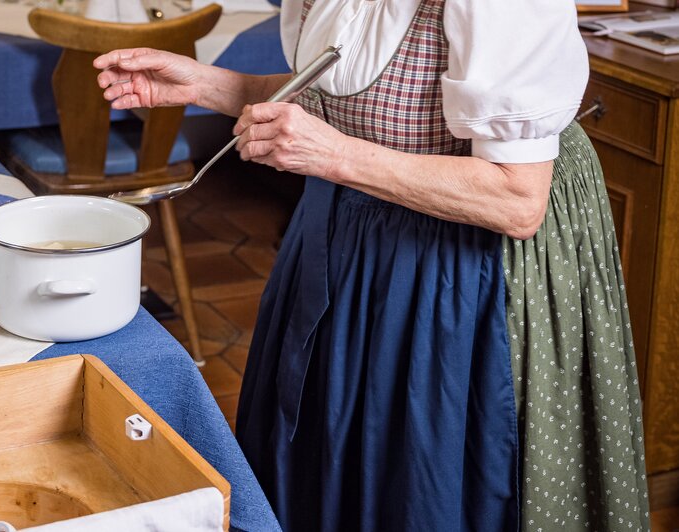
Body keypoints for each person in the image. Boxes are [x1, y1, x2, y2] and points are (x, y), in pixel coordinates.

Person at [94, 0, 649, 530]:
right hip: (348, 237)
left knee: (420, 478)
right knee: (329, 457)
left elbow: (516, 199)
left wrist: (333, 155)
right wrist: (204, 85)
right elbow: (345, 103)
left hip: (462, 275)